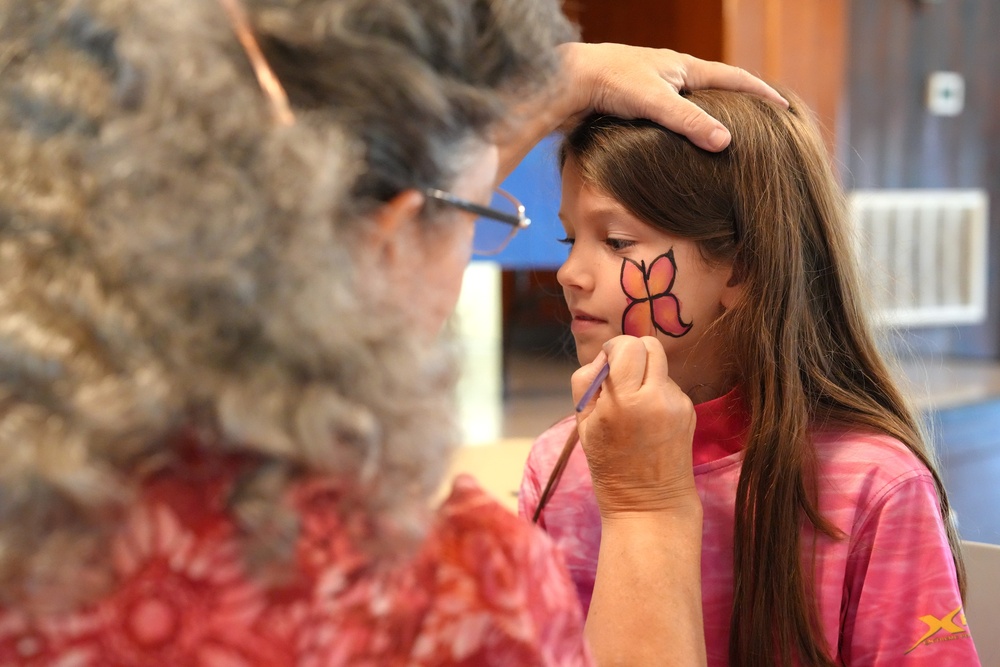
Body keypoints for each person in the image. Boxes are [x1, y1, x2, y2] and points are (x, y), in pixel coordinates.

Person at [0, 0, 786, 664]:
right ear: (385, 241)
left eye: (616, 242)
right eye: (480, 214)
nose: (571, 274)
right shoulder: (453, 597)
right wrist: (648, 509)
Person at [520, 91, 982, 666]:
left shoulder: (872, 486)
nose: (568, 272)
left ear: (741, 266)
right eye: (570, 238)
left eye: (616, 242)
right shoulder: (559, 462)